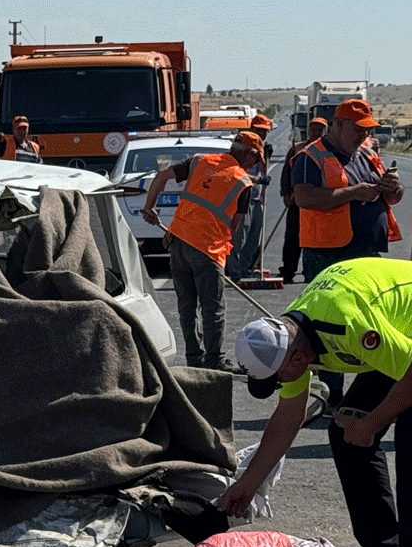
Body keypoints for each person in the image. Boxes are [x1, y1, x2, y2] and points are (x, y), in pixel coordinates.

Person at [223, 257, 412, 547]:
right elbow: (287, 419)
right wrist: (247, 484)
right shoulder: (290, 338)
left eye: (277, 377)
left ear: (294, 359)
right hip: (399, 342)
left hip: (405, 347)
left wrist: (370, 424)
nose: (281, 383)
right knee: (345, 435)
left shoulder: (347, 325)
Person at [292, 98, 403, 413]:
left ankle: (372, 396)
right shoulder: (310, 156)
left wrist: (393, 188)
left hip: (367, 252)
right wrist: (352, 193)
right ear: (338, 125)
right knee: (329, 326)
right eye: (357, 129)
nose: (362, 135)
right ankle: (330, 396)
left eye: (366, 129)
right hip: (328, 253)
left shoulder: (367, 153)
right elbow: (303, 197)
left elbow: (392, 195)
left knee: (376, 322)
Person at [140, 131, 263, 372]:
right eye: (255, 159)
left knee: (187, 305)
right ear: (248, 153)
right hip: (207, 248)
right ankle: (214, 360)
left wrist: (149, 207)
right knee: (212, 308)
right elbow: (234, 226)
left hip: (177, 242)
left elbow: (163, 174)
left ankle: (194, 359)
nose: (255, 165)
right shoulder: (242, 182)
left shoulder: (199, 161)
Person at [277, 117, 328, 284]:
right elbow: (286, 172)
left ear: (325, 131)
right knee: (292, 237)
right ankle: (288, 271)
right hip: (297, 201)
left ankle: (310, 271)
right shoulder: (298, 149)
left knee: (315, 238)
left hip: (319, 202)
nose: (316, 132)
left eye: (320, 129)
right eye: (314, 129)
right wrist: (286, 193)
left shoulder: (330, 150)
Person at [227, 114, 274, 280]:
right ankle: (234, 270)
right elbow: (239, 174)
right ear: (252, 128)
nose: (263, 134)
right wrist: (258, 180)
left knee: (254, 237)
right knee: (238, 236)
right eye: (260, 130)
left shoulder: (262, 148)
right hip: (241, 198)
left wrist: (262, 193)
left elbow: (263, 171)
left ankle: (245, 267)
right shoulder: (243, 148)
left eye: (265, 131)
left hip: (255, 199)